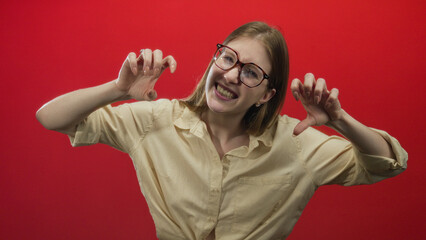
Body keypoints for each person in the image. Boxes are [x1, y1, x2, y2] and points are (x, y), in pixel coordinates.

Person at [36, 21, 408, 240]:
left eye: (250, 72)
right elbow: (52, 117)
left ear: (266, 94)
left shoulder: (296, 144)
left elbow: (388, 162)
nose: (231, 73)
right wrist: (117, 89)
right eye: (227, 57)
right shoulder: (156, 119)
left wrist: (340, 120)